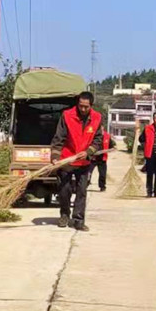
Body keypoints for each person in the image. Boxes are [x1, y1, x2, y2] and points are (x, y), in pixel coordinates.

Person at [50, 91, 103, 231]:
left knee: (81, 191)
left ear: (91, 105)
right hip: (67, 159)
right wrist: (55, 157)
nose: (83, 109)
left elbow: (98, 139)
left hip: (84, 161)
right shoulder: (67, 115)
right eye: (81, 106)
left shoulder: (97, 118)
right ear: (77, 104)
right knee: (65, 189)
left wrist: (88, 152)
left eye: (86, 106)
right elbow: (58, 138)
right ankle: (64, 215)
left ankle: (78, 220)